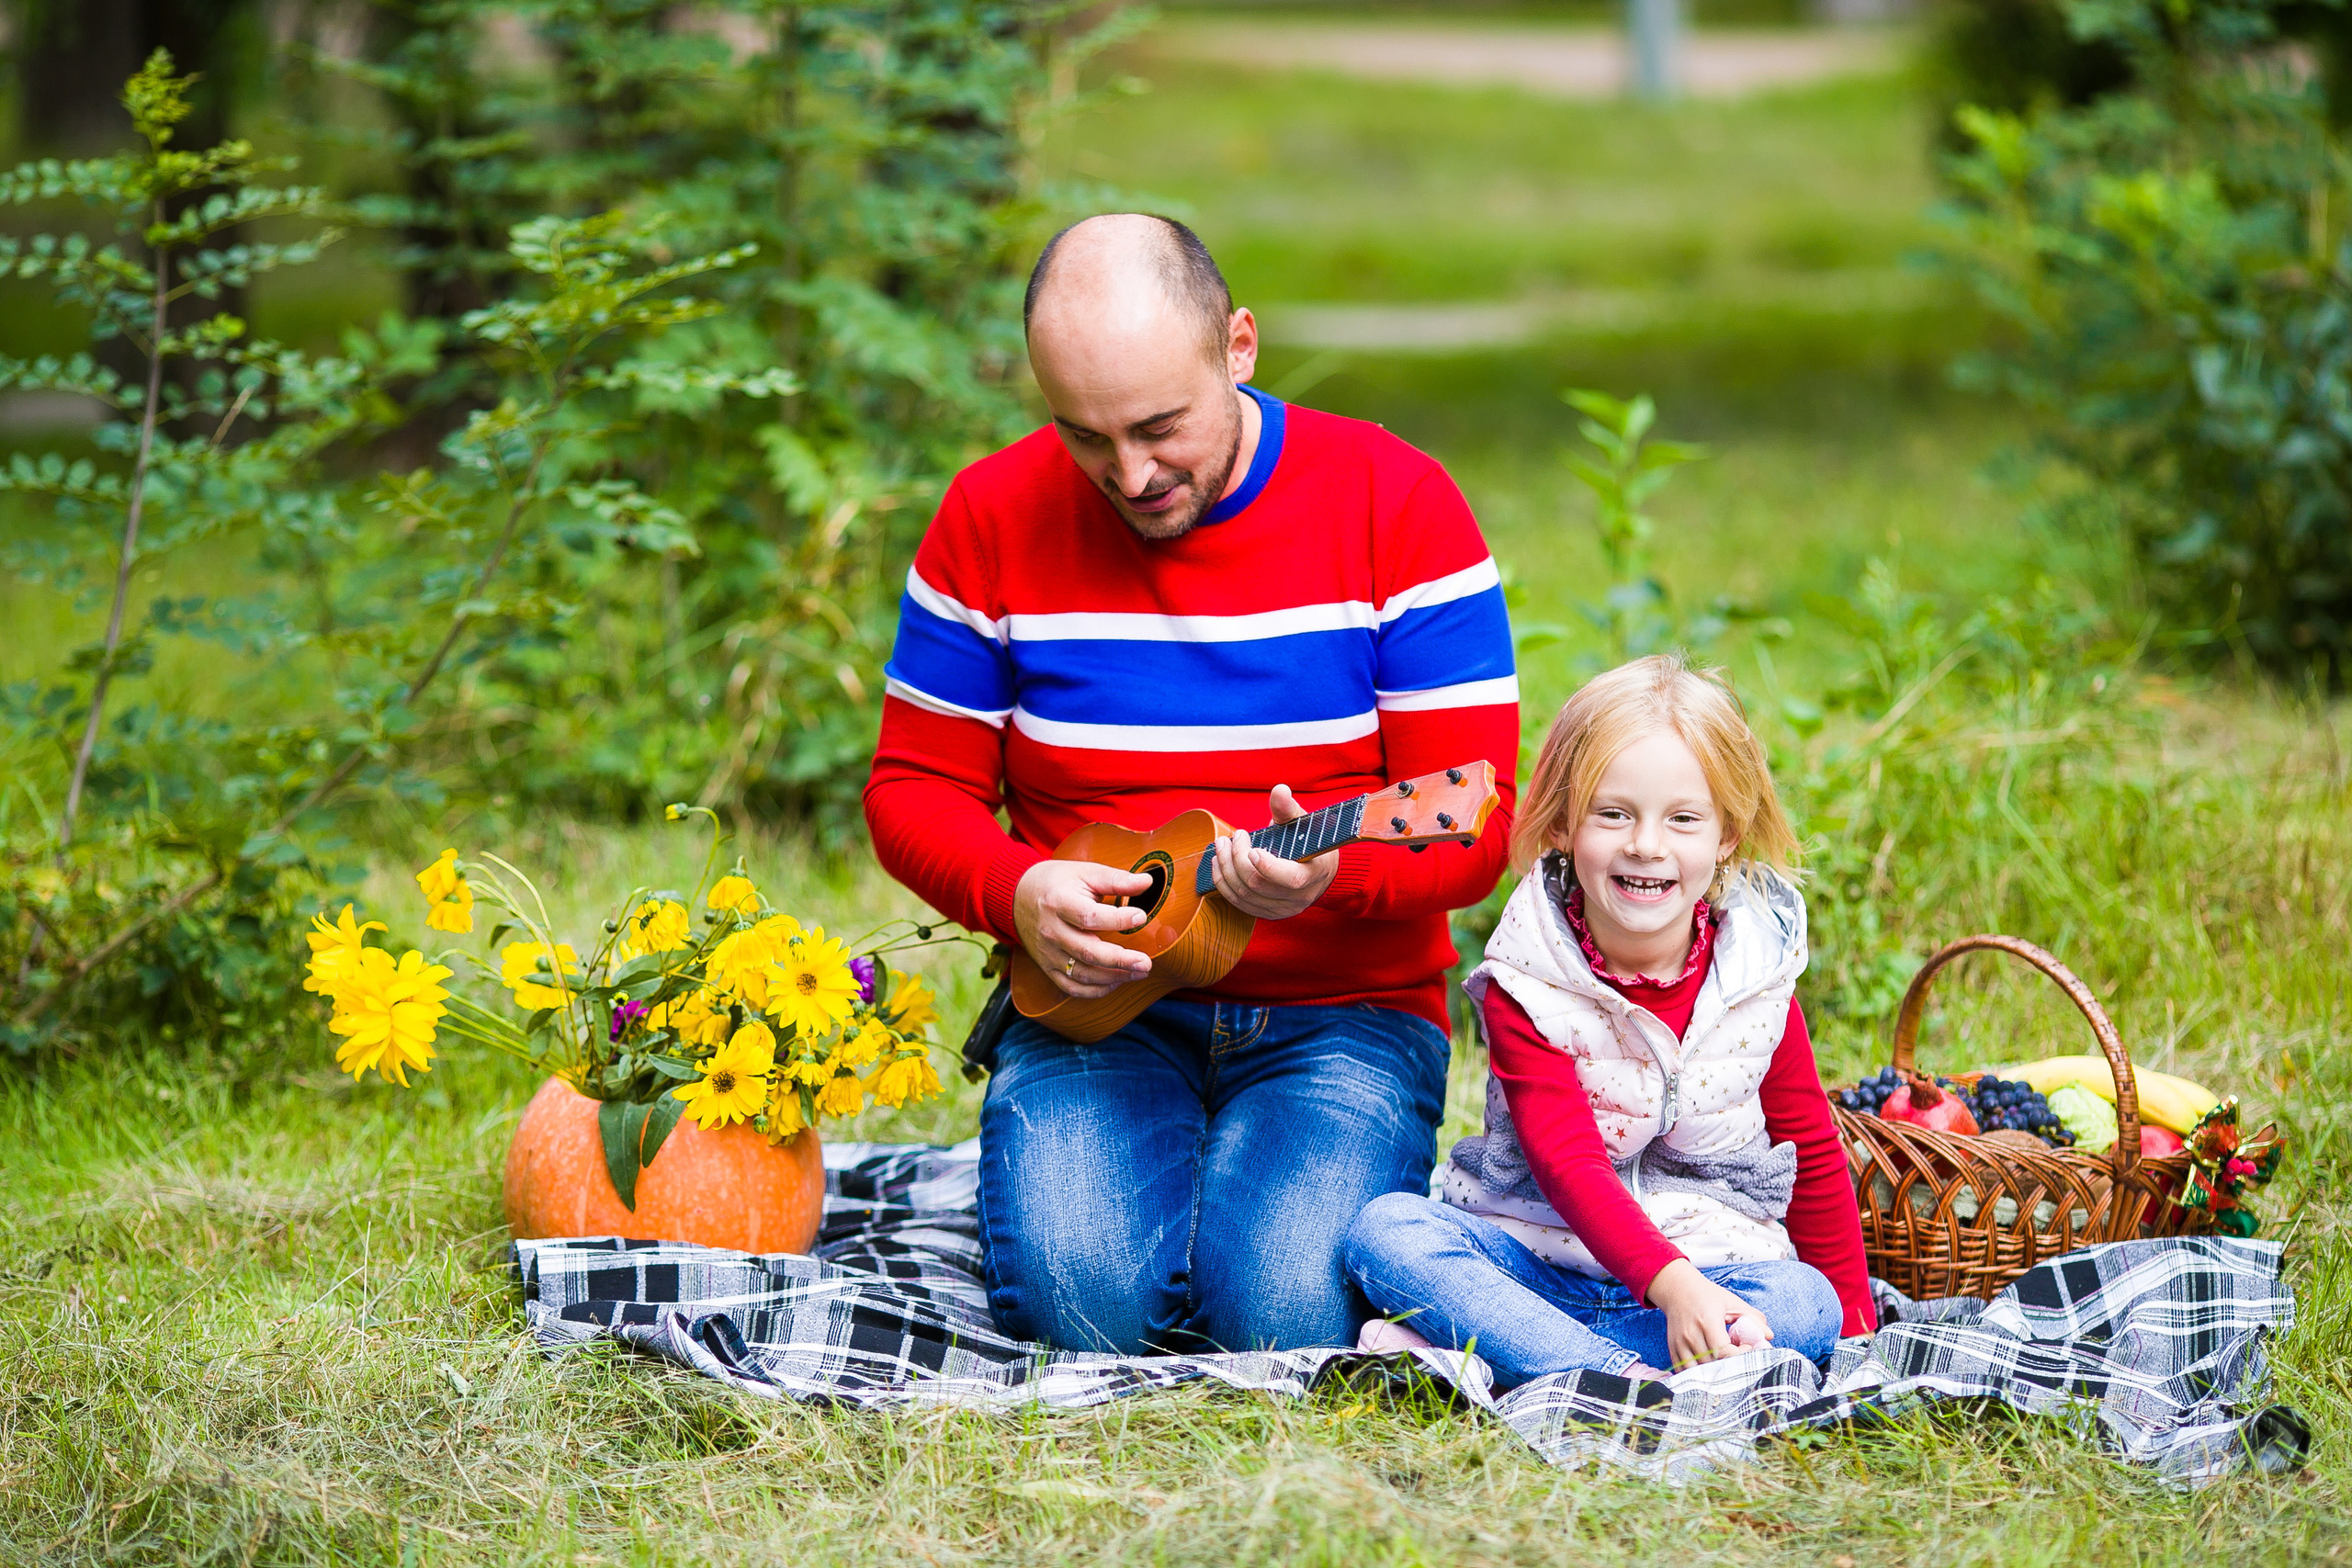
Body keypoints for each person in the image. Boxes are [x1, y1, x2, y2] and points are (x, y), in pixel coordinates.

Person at [863, 213, 1520, 1355]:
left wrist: (1331, 882)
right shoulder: (987, 516)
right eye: (1085, 436)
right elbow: (913, 785)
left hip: (1342, 1018)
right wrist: (1017, 894)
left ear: (1239, 347)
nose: (1131, 474)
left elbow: (1472, 824)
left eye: (1161, 426)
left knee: (1283, 1317)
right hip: (1095, 1011)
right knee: (1081, 1309)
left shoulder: (1396, 503)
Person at [1344, 654, 1874, 1384]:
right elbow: (1568, 1164)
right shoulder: (1530, 980)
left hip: (1709, 1267)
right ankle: (1611, 1375)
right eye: (1614, 813)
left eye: (1683, 819)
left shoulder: (1755, 976)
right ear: (1563, 823)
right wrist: (1672, 1286)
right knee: (1388, 1232)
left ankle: (1529, 1355)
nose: (1646, 844)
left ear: (1727, 836)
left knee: (1805, 1303)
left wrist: (1855, 1327)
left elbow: (1810, 1141)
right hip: (1534, 1258)